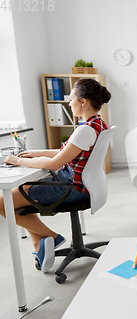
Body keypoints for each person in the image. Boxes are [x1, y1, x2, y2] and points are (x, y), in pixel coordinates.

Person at [1, 78, 110, 273]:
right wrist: (35, 152)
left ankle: (49, 237)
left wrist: (19, 161)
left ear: (83, 102)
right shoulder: (98, 124)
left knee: (4, 202)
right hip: (82, 184)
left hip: (70, 188)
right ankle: (40, 244)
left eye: (72, 99)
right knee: (20, 198)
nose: (69, 103)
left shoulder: (84, 130)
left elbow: (55, 163)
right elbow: (65, 152)